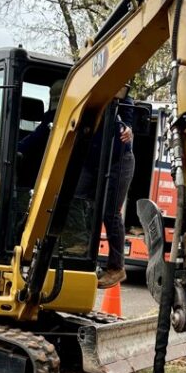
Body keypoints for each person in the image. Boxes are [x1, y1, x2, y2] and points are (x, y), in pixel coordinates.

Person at [67, 87, 134, 287]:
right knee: (77, 201)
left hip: (119, 161)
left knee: (110, 213)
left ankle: (117, 267)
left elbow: (127, 123)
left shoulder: (123, 101)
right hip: (91, 161)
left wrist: (127, 129)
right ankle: (79, 251)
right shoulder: (89, 98)